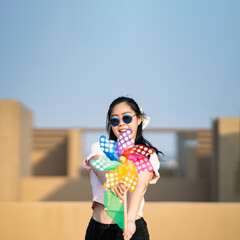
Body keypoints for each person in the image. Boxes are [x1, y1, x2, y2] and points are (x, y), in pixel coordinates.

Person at [84, 96, 162, 240]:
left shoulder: (148, 154)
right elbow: (98, 166)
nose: (121, 124)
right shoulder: (99, 147)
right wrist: (111, 181)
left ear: (139, 119)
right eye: (115, 120)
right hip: (98, 230)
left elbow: (140, 183)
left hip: (132, 228)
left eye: (126, 118)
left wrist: (130, 219)